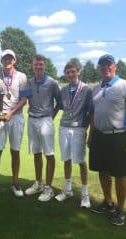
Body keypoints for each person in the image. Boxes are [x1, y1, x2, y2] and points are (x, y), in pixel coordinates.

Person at [89, 54, 126, 226]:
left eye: (109, 64)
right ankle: (108, 202)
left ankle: (120, 209)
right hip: (99, 136)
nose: (106, 67)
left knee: (120, 174)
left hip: (118, 135)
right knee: (102, 171)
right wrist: (91, 135)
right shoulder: (96, 89)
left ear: (115, 66)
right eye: (102, 65)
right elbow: (93, 114)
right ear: (99, 68)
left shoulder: (123, 85)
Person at [0, 49, 27, 198]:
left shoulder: (22, 76)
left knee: (15, 151)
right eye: (5, 59)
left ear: (14, 60)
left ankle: (15, 183)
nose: (7, 61)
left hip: (15, 117)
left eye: (10, 58)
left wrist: (11, 112)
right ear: (1, 61)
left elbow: (24, 99)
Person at [55, 61, 92, 208]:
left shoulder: (86, 90)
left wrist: (86, 129)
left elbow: (90, 112)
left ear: (79, 72)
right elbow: (60, 106)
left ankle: (85, 194)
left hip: (79, 129)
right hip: (64, 127)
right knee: (66, 159)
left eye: (73, 71)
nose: (70, 74)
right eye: (68, 72)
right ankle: (68, 189)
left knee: (81, 161)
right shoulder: (63, 90)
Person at [24, 54, 61, 202]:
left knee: (49, 154)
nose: (38, 66)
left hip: (46, 120)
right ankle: (38, 183)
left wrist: (51, 116)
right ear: (32, 66)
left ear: (44, 66)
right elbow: (24, 98)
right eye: (36, 64)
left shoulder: (52, 82)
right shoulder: (30, 82)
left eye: (41, 64)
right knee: (37, 153)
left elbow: (60, 102)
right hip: (32, 119)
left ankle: (48, 188)